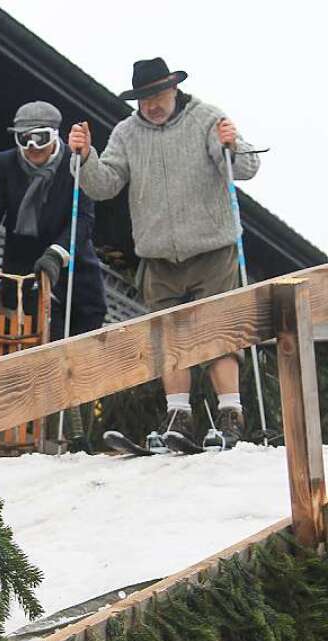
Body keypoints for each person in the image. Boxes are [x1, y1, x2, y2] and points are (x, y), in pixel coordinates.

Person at [68, 57, 261, 451]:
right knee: (167, 337)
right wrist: (86, 158)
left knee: (218, 332)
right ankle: (178, 416)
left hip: (213, 248)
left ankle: (231, 414)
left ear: (173, 88)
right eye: (143, 97)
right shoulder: (126, 133)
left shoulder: (205, 117)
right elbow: (104, 186)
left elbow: (244, 168)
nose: (152, 103)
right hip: (157, 256)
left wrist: (233, 145)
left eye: (157, 93)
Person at [0, 100, 107, 452]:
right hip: (24, 266)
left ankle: (80, 430)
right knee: (36, 341)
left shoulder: (76, 163)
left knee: (79, 341)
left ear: (56, 136)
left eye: (40, 138)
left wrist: (57, 254)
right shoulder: (4, 164)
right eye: (24, 140)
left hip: (71, 260)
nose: (32, 149)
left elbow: (83, 218)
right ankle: (33, 428)